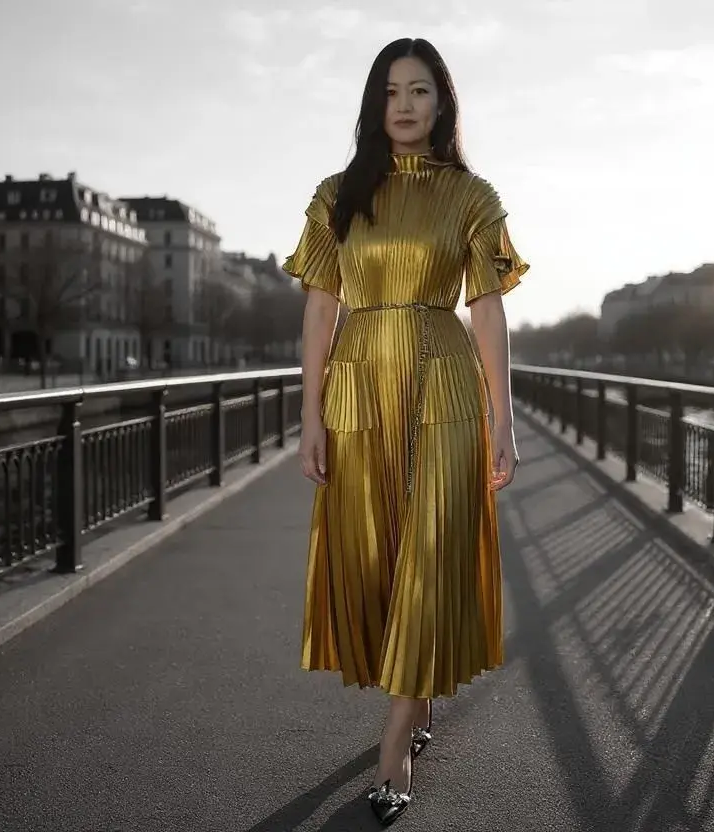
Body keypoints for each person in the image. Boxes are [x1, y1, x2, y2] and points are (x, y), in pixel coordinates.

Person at [283, 36, 528, 826]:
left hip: (444, 381)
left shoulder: (472, 195)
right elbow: (320, 309)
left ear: (442, 101)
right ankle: (415, 698)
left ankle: (396, 739)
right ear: (374, 103)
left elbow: (486, 310)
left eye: (420, 90)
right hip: (357, 383)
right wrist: (309, 414)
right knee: (378, 555)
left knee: (431, 548)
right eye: (391, 91)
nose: (405, 104)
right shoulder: (336, 195)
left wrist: (503, 417)